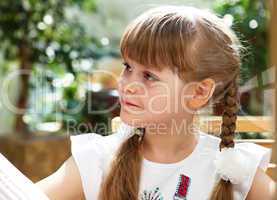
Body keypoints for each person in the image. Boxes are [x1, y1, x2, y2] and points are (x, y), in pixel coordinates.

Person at [36, 5, 276, 200]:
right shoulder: (98, 159)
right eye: (128, 67)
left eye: (149, 76)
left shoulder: (233, 170)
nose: (127, 84)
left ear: (199, 92)